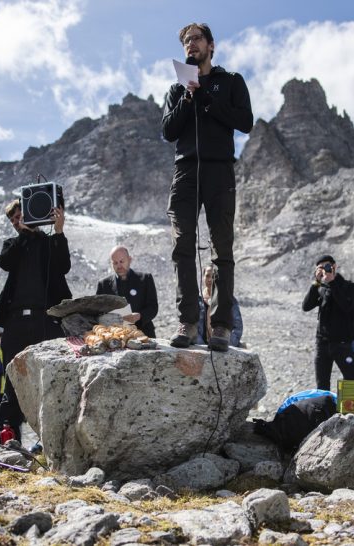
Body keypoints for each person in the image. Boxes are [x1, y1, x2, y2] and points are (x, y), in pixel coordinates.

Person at [161, 22, 253, 351]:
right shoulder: (176, 90)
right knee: (182, 244)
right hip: (185, 172)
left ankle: (223, 326)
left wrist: (210, 102)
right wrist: (189, 98)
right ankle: (188, 322)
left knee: (221, 250)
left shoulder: (230, 82)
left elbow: (245, 121)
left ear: (211, 46)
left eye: (196, 39)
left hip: (220, 172)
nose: (191, 45)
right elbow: (169, 132)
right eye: (186, 41)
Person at [0, 200, 71, 443]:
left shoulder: (48, 242)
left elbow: (64, 266)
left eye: (20, 217)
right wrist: (24, 234)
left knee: (48, 377)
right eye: (13, 220)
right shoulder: (13, 244)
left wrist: (59, 230)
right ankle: (8, 439)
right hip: (15, 322)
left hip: (45, 320)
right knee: (13, 379)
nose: (17, 222)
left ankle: (48, 440)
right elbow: (5, 261)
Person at [303, 255, 354, 390]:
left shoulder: (350, 286)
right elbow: (306, 306)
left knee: (351, 382)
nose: (325, 270)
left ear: (335, 266)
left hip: (342, 343)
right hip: (322, 343)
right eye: (321, 268)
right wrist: (316, 282)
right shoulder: (321, 288)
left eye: (328, 266)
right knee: (322, 385)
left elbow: (346, 306)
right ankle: (325, 410)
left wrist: (332, 282)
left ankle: (352, 411)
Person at [95, 246, 159, 337]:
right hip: (115, 336)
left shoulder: (145, 279)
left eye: (122, 261)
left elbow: (153, 307)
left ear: (129, 259)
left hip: (144, 334)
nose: (119, 266)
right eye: (115, 263)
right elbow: (98, 311)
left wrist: (139, 316)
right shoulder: (103, 284)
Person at [197, 265, 243, 347]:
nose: (210, 279)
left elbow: (237, 328)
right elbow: (193, 327)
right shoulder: (198, 300)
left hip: (223, 345)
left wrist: (227, 343)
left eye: (214, 276)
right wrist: (201, 346)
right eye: (207, 276)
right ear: (203, 277)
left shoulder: (228, 299)